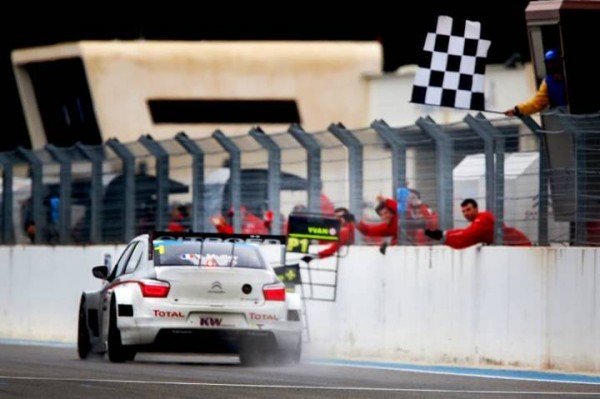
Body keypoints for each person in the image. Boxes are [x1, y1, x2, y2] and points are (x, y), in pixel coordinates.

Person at [424, 198, 531, 249]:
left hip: (520, 246)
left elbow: (467, 236)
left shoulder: (483, 219)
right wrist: (444, 234)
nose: (466, 213)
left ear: (476, 209)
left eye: (468, 209)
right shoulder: (480, 221)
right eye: (463, 211)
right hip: (517, 246)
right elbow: (467, 233)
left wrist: (443, 235)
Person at [504, 48, 566, 117]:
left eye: (554, 62)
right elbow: (537, 103)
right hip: (566, 119)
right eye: (549, 63)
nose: (552, 66)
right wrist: (517, 110)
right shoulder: (548, 82)